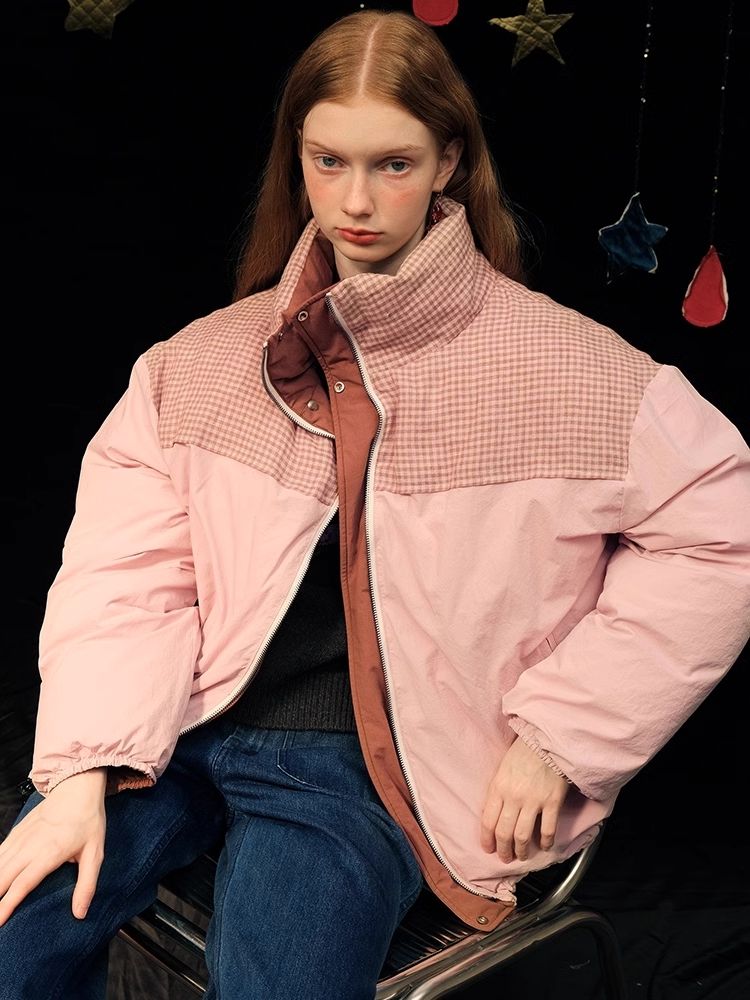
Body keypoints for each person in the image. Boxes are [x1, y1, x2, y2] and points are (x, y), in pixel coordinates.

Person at [1, 7, 749, 999]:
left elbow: (723, 539)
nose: (356, 200)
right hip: (174, 725)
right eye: (329, 162)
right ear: (297, 160)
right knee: (13, 939)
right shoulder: (192, 367)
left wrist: (563, 736)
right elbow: (126, 574)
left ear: (449, 162)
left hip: (369, 770)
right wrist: (83, 770)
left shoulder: (575, 375)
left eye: (393, 164)